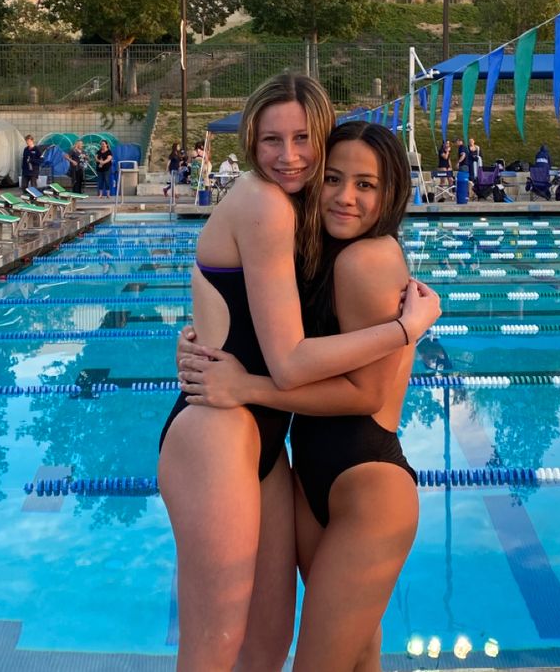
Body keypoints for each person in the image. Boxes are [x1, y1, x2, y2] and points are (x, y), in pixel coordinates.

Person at [157, 74, 440, 672]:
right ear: (249, 142)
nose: (289, 157)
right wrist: (406, 329)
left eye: (303, 139)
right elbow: (278, 352)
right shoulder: (269, 204)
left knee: (266, 647)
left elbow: (341, 379)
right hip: (226, 431)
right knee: (218, 646)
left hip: (280, 446)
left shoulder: (335, 238)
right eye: (270, 140)